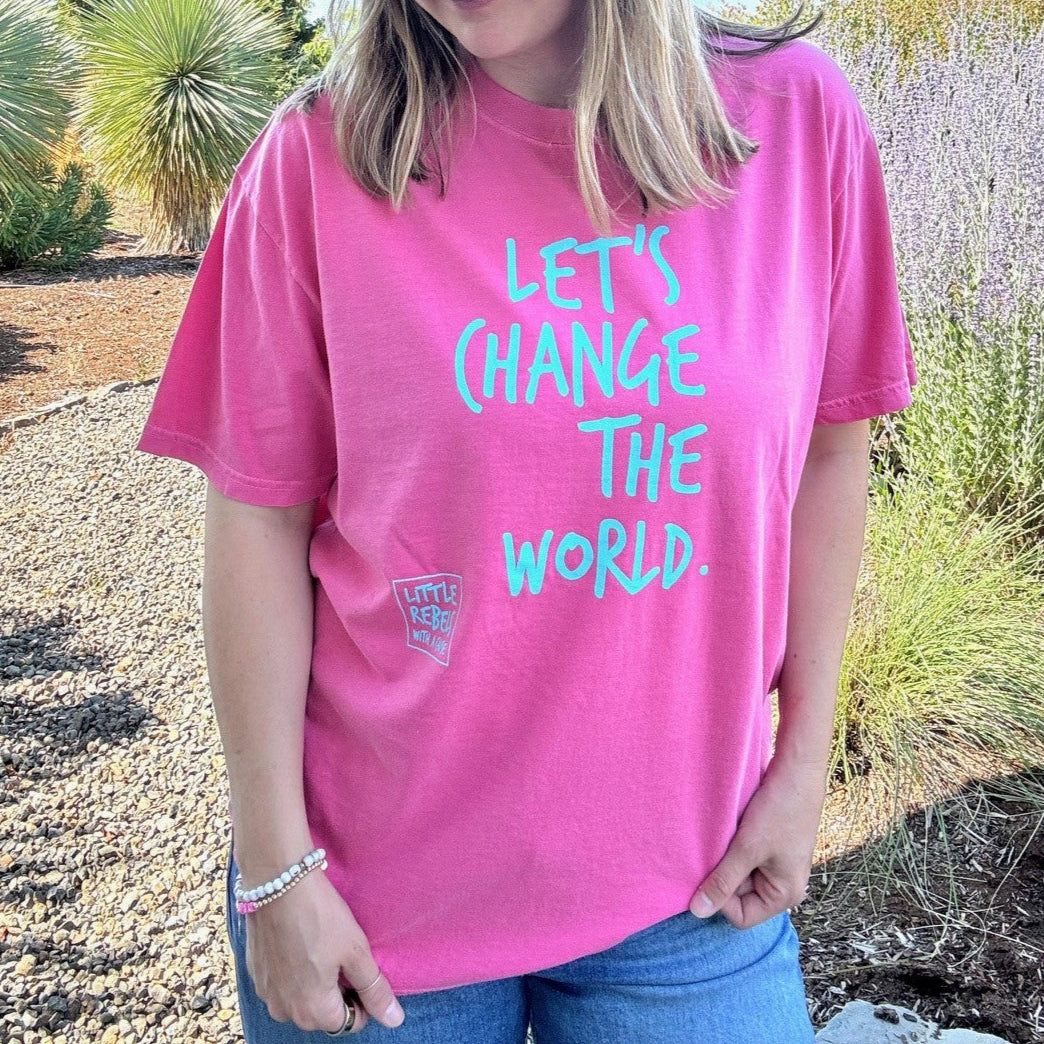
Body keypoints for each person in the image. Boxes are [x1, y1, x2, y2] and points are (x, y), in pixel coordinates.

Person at [138, 0, 917, 1039]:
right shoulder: (317, 157)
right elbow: (257, 522)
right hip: (377, 918)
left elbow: (831, 447)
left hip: (693, 892)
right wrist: (276, 870)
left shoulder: (793, 115)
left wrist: (803, 763)